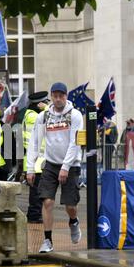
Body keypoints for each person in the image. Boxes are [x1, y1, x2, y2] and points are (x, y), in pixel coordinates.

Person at [27, 82, 83, 253]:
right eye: (55, 96)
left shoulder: (75, 115)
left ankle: (73, 221)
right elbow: (34, 142)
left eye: (61, 96)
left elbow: (75, 143)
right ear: (51, 96)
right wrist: (30, 168)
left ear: (66, 96)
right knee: (47, 202)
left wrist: (66, 167)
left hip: (71, 164)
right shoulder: (43, 117)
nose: (58, 99)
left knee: (70, 205)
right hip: (50, 164)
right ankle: (48, 240)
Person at [22, 91, 49, 223]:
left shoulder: (32, 114)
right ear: (39, 104)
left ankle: (35, 214)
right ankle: (34, 215)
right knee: (36, 191)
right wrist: (48, 109)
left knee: (38, 190)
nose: (47, 104)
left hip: (38, 159)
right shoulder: (33, 116)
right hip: (36, 159)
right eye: (46, 102)